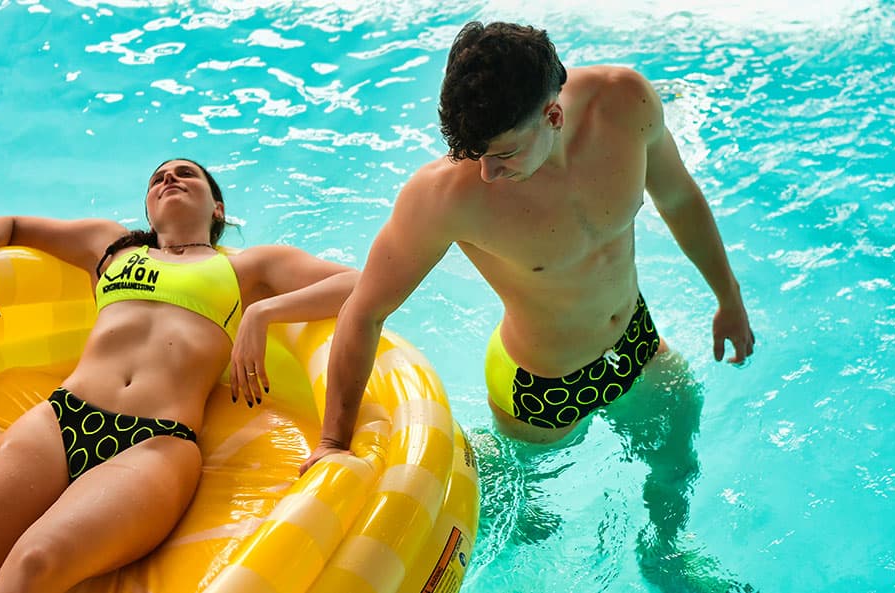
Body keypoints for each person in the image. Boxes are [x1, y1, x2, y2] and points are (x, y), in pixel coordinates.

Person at [299, 21, 757, 591]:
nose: (486, 173)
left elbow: (680, 197)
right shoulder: (444, 197)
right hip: (539, 390)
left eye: (503, 154)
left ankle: (663, 555)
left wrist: (729, 298)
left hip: (636, 341)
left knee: (677, 460)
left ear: (553, 115)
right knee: (526, 515)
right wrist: (332, 444)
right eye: (475, 155)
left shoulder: (624, 103)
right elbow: (364, 310)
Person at [0, 158, 358, 593]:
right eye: (158, 179)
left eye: (185, 174)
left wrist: (263, 312)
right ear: (149, 210)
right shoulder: (112, 246)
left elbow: (358, 284)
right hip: (61, 419)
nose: (169, 179)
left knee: (33, 564)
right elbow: (12, 225)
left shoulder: (246, 267)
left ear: (217, 207)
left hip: (157, 442)